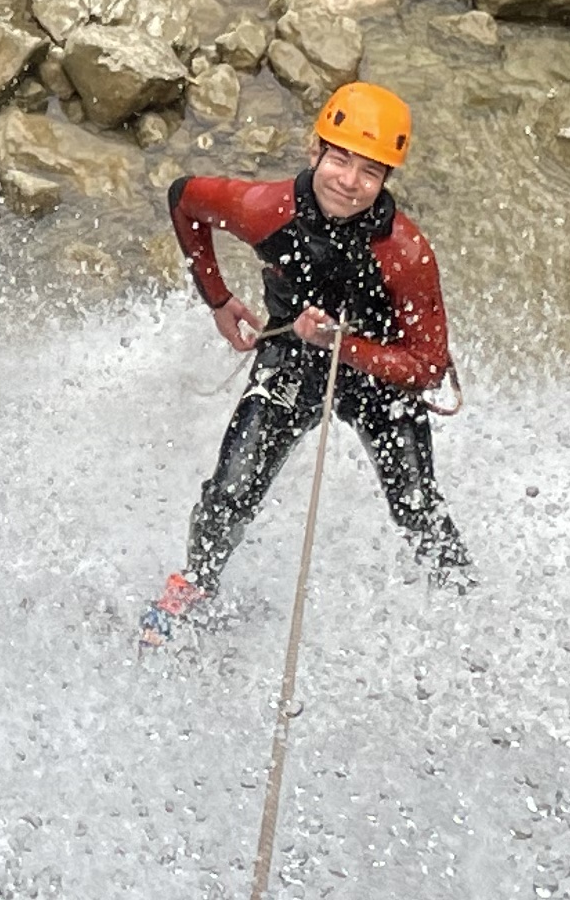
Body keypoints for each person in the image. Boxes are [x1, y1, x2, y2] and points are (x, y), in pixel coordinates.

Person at [146, 82, 468, 637]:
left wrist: (347, 347)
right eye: (339, 158)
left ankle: (463, 601)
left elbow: (429, 367)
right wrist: (217, 298)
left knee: (416, 507)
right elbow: (183, 199)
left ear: (386, 180)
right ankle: (195, 586)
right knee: (229, 492)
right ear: (313, 150)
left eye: (369, 171)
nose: (350, 181)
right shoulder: (266, 209)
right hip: (292, 361)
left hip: (377, 383)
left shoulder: (404, 254)